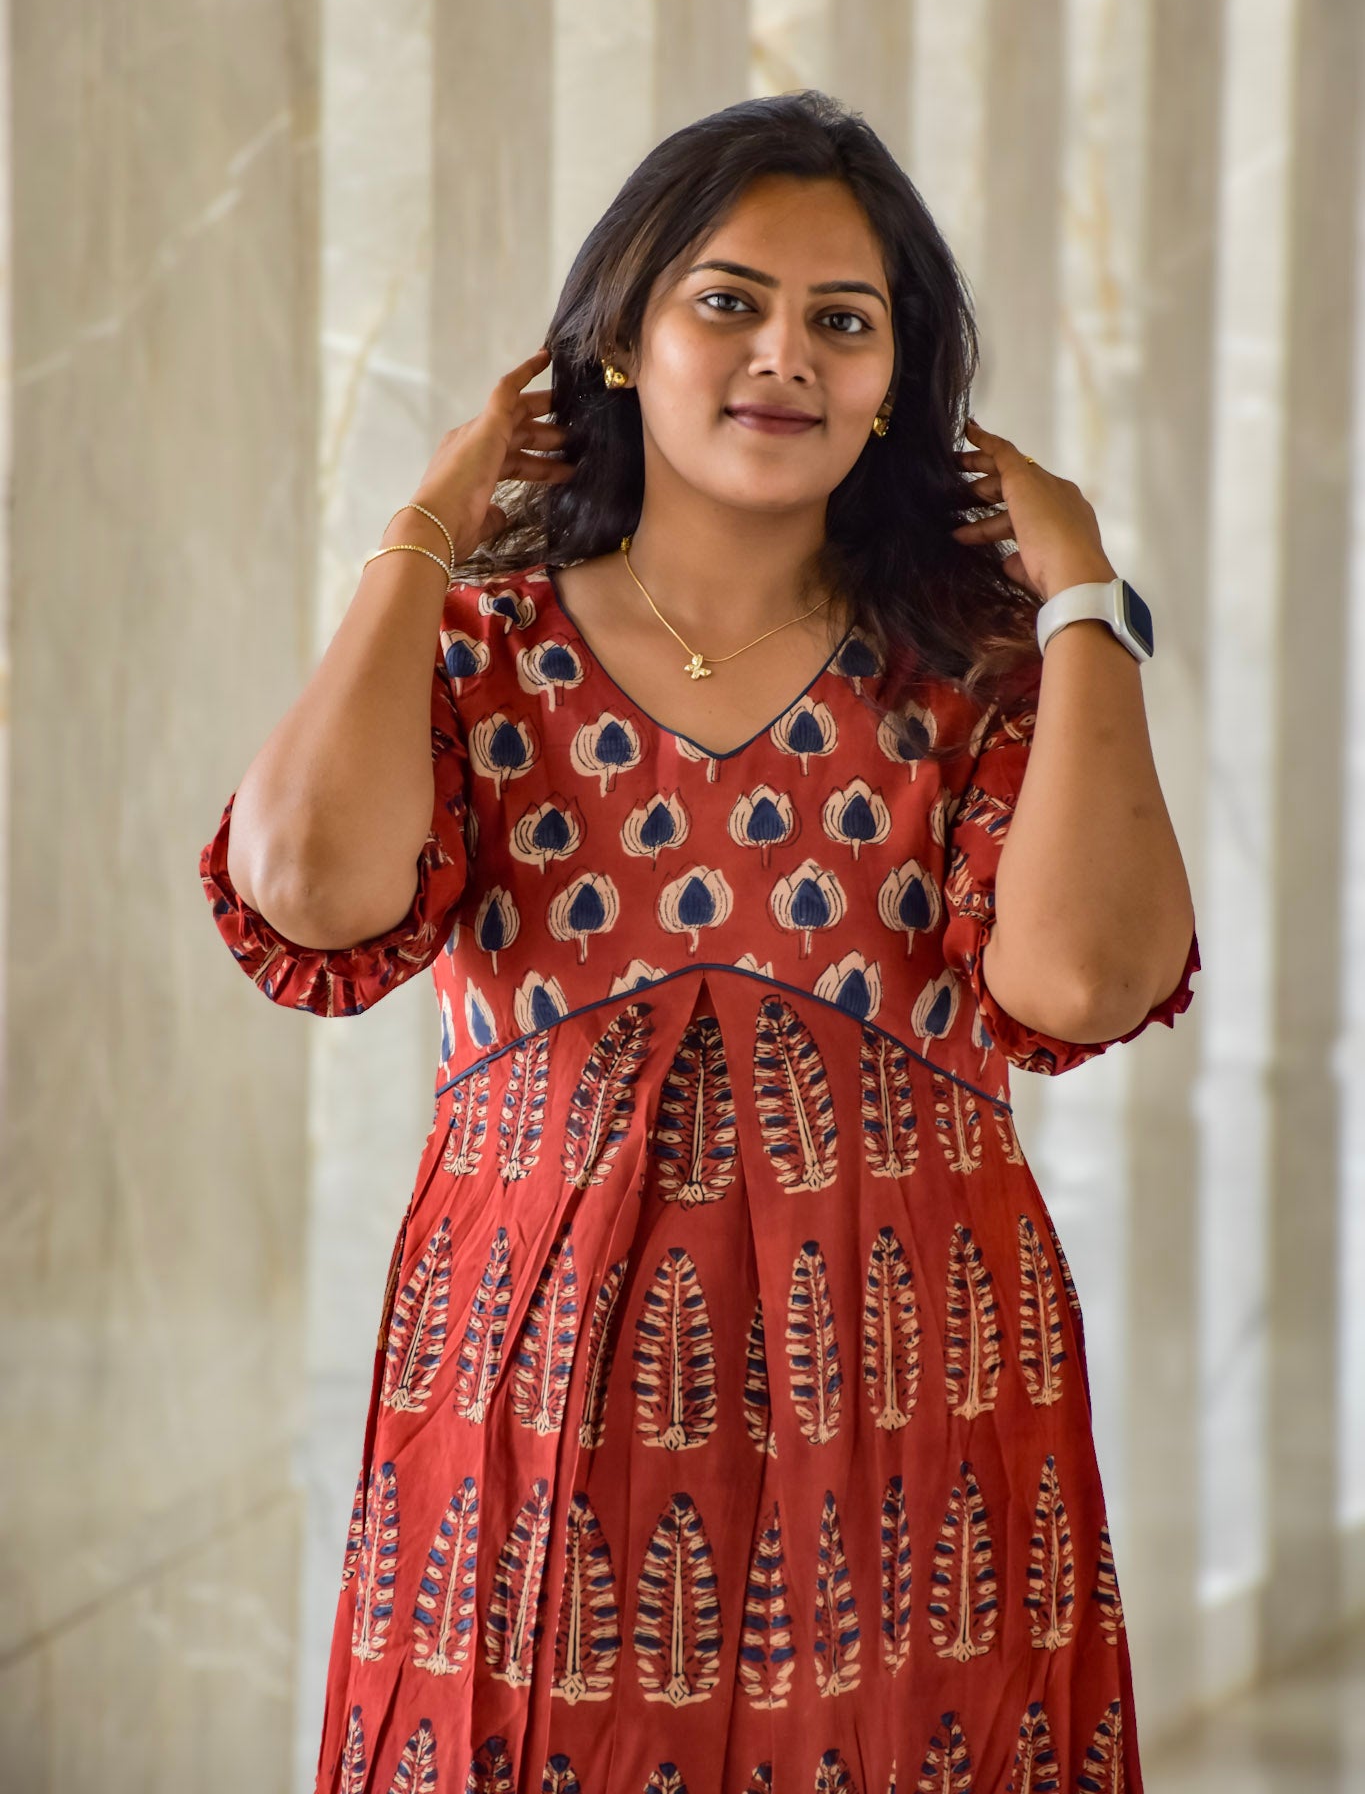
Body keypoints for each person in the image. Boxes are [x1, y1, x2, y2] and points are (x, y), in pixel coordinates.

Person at [200, 89, 1199, 1794]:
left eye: (844, 319)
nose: (781, 355)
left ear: (899, 384)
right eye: (725, 299)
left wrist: (1080, 591)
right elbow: (305, 891)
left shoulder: (976, 669)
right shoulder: (481, 650)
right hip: (530, 1387)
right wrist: (425, 534)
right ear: (618, 340)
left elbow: (1085, 982)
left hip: (909, 1386)